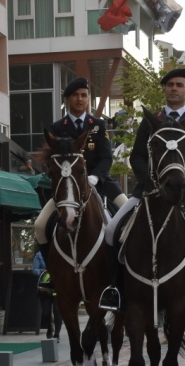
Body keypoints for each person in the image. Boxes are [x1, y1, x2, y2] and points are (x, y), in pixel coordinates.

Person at [102, 68, 185, 310]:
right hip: (149, 192)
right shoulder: (149, 121)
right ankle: (114, 288)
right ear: (164, 90)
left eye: (179, 85)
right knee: (112, 229)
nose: (174, 88)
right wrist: (153, 184)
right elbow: (137, 158)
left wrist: (184, 181)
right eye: (170, 85)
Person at [34, 77, 128, 287]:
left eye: (84, 95)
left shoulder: (98, 125)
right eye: (75, 95)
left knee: (131, 215)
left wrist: (95, 176)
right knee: (40, 226)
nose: (80, 99)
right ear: (67, 99)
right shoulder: (57, 128)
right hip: (67, 187)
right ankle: (52, 274)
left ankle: (125, 272)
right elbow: (51, 161)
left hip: (100, 182)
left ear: (88, 100)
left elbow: (106, 157)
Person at [33, 251, 62, 340]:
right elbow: (34, 270)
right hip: (44, 289)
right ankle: (49, 328)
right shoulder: (39, 255)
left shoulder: (60, 252)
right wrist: (43, 270)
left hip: (58, 288)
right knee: (46, 313)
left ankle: (57, 334)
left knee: (57, 311)